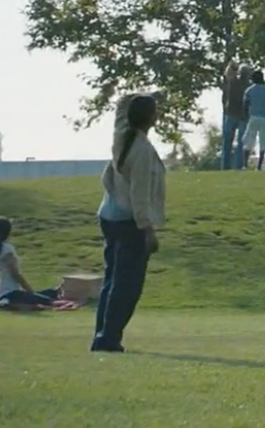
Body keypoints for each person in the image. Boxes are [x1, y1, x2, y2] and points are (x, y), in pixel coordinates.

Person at [93, 93, 164, 353]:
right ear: (148, 117)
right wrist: (147, 229)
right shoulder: (142, 149)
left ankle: (102, 333)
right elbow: (140, 194)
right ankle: (109, 337)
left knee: (112, 280)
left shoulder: (121, 138)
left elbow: (120, 113)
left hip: (109, 215)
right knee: (128, 285)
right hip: (130, 221)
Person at [0, 217, 61, 308]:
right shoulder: (7, 248)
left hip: (6, 292)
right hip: (10, 293)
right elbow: (15, 274)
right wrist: (29, 290)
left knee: (50, 292)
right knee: (48, 301)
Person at [241, 70, 265, 171]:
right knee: (263, 141)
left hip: (253, 117)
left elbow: (245, 105)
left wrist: (246, 117)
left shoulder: (249, 90)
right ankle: (259, 166)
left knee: (249, 140)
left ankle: (245, 164)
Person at [220, 61, 247, 170]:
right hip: (242, 116)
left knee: (227, 142)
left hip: (231, 114)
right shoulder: (247, 85)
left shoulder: (232, 82)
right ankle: (238, 166)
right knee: (240, 143)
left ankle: (226, 166)